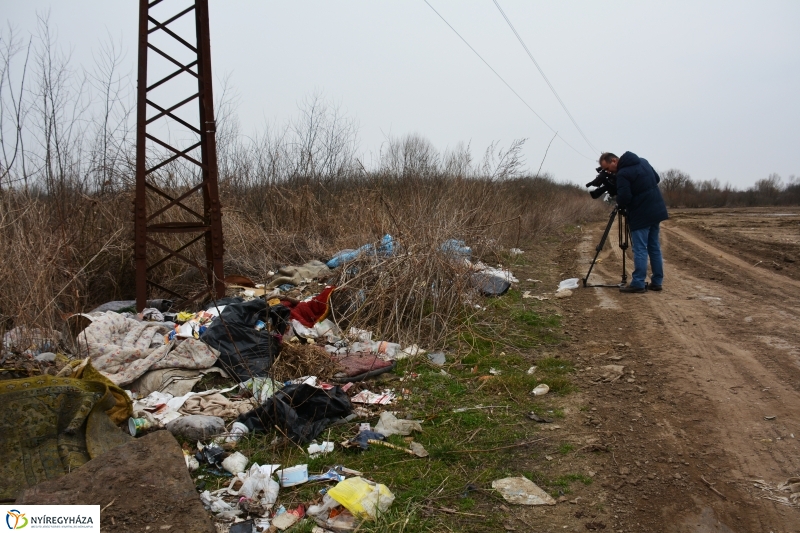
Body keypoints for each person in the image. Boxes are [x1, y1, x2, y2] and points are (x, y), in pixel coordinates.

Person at [599, 151, 669, 293]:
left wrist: (618, 195)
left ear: (614, 161)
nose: (607, 172)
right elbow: (656, 178)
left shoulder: (623, 174)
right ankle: (657, 282)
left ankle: (638, 283)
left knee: (640, 248)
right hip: (656, 210)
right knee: (654, 246)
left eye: (607, 168)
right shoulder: (643, 161)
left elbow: (624, 198)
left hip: (641, 214)